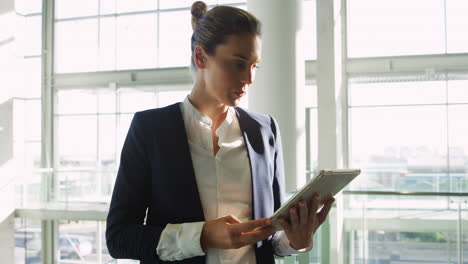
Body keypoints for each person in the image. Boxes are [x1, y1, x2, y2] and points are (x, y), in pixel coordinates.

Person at [105, 2, 335, 264]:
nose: (248, 78)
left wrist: (296, 241)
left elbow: (269, 240)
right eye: (238, 64)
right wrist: (202, 236)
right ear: (201, 57)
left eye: (254, 66)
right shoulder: (150, 130)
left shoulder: (265, 130)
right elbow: (119, 238)